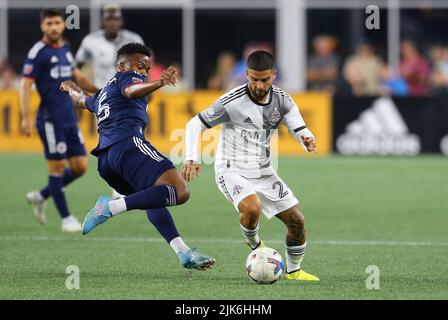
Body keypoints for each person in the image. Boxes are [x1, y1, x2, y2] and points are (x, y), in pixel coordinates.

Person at [59, 43, 215, 271]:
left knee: (153, 197)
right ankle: (109, 208)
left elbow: (82, 100)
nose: (143, 72)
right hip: (127, 145)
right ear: (121, 66)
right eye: (140, 66)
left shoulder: (103, 94)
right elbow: (130, 90)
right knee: (180, 191)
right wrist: (160, 82)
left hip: (106, 161)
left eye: (147, 69)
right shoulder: (127, 78)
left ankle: (183, 252)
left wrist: (71, 87)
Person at [182, 50, 319, 281]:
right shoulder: (231, 102)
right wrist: (191, 158)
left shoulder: (283, 100)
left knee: (298, 221)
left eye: (264, 79)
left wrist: (306, 137)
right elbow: (195, 124)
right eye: (253, 78)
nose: (258, 84)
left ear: (274, 75)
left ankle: (294, 271)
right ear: (246, 74)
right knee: (252, 208)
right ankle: (254, 242)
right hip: (231, 170)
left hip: (264, 171)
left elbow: (299, 127)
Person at [20, 8, 98, 232]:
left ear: (63, 25)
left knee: (80, 166)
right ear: (42, 26)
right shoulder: (38, 52)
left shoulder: (66, 48)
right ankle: (66, 219)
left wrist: (101, 90)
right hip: (50, 120)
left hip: (69, 119)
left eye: (57, 23)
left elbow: (78, 77)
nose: (53, 27)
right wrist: (26, 118)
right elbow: (25, 85)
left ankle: (41, 196)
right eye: (49, 24)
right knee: (57, 166)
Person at [75, 4, 145, 200]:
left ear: (121, 21)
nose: (112, 22)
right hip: (106, 98)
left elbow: (144, 65)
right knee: (112, 138)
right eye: (109, 19)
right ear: (104, 21)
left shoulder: (134, 39)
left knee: (134, 136)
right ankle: (120, 187)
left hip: (129, 94)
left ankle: (127, 182)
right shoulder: (91, 41)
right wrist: (86, 85)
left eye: (115, 19)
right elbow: (76, 67)